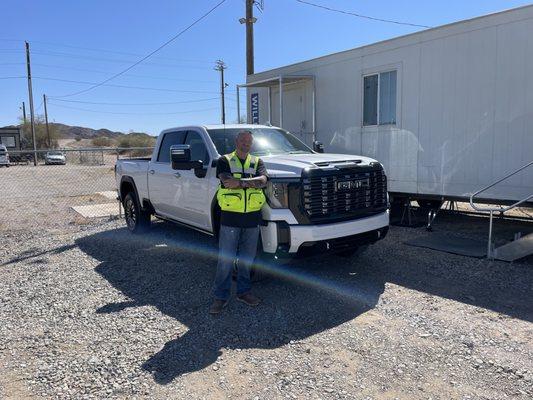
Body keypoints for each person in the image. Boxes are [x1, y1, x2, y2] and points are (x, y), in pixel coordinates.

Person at [210, 130, 268, 315]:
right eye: (242, 140)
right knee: (225, 260)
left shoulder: (257, 161)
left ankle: (243, 293)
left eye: (249, 141)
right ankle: (220, 297)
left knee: (246, 260)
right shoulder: (224, 160)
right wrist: (250, 182)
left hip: (252, 219)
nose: (245, 143)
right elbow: (227, 182)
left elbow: (263, 181)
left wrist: (240, 182)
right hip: (230, 218)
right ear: (236, 141)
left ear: (252, 143)